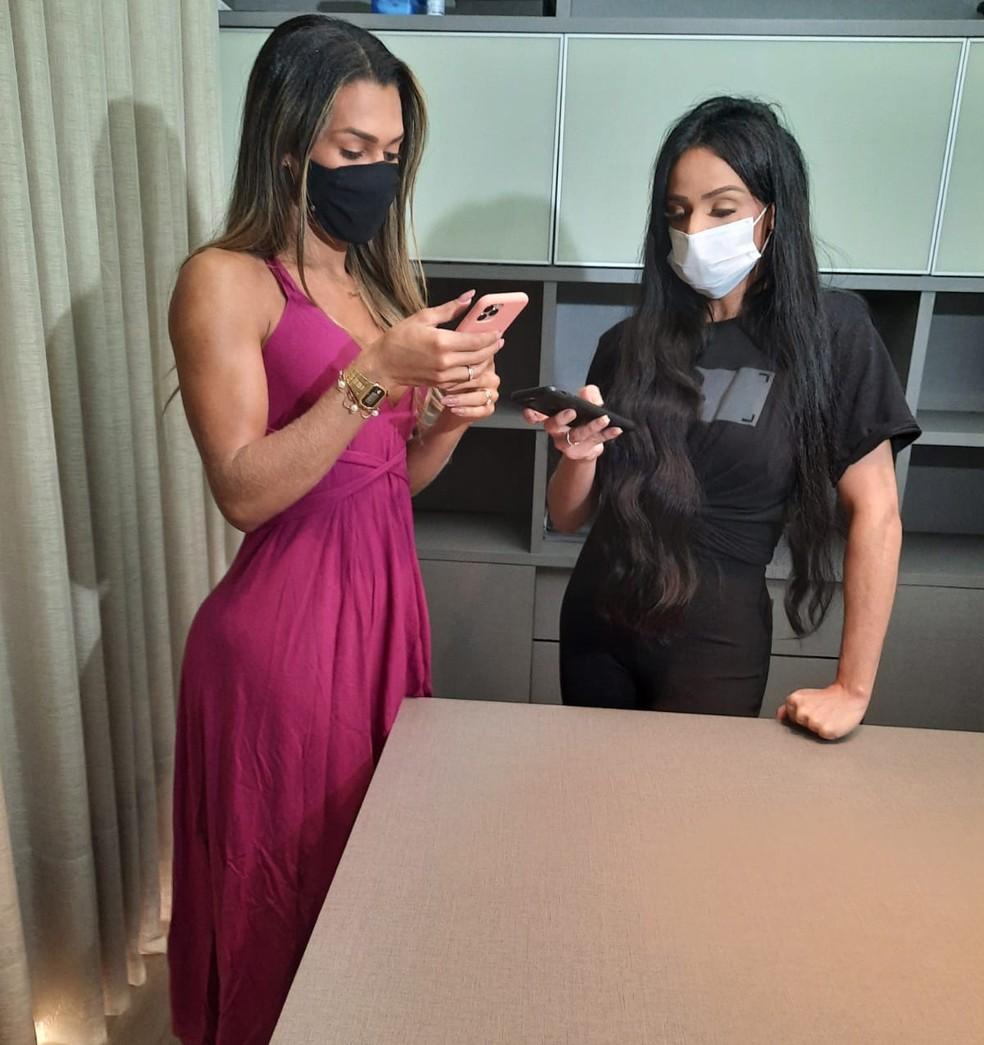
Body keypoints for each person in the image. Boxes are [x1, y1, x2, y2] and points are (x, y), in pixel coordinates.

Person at [166, 16, 502, 1044]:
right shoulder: (225, 279)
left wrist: (450, 418)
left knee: (368, 886)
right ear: (287, 145)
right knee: (284, 896)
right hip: (285, 647)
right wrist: (375, 373)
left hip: (384, 621)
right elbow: (242, 489)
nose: (378, 175)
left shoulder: (371, 283)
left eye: (391, 153)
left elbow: (385, 483)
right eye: (354, 150)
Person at [525, 96, 919, 741]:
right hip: (596, 623)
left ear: (772, 214)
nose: (695, 230)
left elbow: (877, 514)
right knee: (591, 795)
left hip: (714, 639)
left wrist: (853, 688)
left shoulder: (832, 332)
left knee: (689, 801)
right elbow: (570, 517)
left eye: (723, 209)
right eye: (678, 212)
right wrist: (578, 457)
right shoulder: (628, 343)